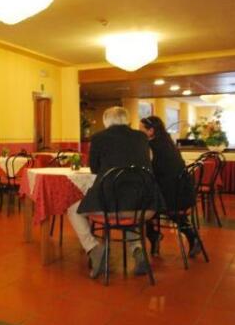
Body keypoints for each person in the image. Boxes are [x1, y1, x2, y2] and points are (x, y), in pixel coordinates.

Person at [68, 106, 159, 279]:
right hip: (146, 207)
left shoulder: (99, 138)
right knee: (128, 204)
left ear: (106, 121)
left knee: (73, 210)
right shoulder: (142, 137)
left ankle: (94, 249)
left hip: (113, 207)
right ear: (127, 120)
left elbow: (94, 169)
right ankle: (138, 250)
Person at [139, 115, 201, 257]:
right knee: (150, 202)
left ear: (151, 131)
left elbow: (149, 169)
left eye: (141, 129)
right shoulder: (167, 142)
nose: (138, 131)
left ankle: (154, 236)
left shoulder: (151, 146)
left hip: (172, 194)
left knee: (144, 205)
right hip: (183, 190)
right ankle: (191, 235)